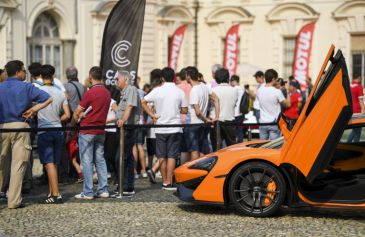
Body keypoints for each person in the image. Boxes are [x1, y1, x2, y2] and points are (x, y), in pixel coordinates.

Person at [0, 60, 52, 209]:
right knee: (19, 164)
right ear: (17, 72)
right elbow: (48, 98)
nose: (25, 73)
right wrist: (34, 110)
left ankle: (1, 192)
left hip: (2, 127)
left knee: (2, 163)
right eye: (23, 70)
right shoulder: (27, 87)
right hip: (20, 125)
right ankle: (14, 200)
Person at [142, 67, 188, 190]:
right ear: (173, 77)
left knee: (161, 155)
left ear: (162, 78)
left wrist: (152, 115)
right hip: (175, 127)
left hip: (160, 127)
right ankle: (170, 182)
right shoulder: (179, 91)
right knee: (172, 156)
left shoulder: (157, 90)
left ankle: (165, 182)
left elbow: (143, 101)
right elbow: (184, 110)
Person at [73, 66, 111, 200]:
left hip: (87, 129)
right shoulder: (107, 92)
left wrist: (78, 117)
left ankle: (88, 191)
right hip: (101, 129)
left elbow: (77, 112)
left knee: (87, 161)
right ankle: (103, 189)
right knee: (100, 160)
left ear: (90, 77)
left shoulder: (90, 93)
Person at [37, 64, 70, 204]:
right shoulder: (60, 93)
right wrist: (57, 119)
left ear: (40, 76)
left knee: (48, 163)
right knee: (54, 162)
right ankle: (51, 192)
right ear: (53, 76)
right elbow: (67, 115)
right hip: (58, 129)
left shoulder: (37, 91)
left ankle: (56, 194)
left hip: (44, 129)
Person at [114, 70, 141, 196]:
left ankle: (126, 186)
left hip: (128, 128)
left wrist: (123, 120)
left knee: (123, 156)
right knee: (126, 156)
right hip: (123, 127)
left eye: (117, 79)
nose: (115, 81)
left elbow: (130, 106)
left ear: (125, 79)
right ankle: (126, 185)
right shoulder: (123, 92)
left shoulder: (131, 89)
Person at [186, 66, 219, 160]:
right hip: (202, 124)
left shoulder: (194, 90)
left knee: (194, 150)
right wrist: (216, 116)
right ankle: (202, 172)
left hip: (194, 124)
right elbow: (216, 99)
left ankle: (194, 174)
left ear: (188, 76)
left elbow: (197, 112)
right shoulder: (204, 87)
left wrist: (206, 119)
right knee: (202, 150)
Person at [64, 66, 86, 182]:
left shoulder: (65, 87)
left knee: (69, 145)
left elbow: (64, 104)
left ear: (67, 75)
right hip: (81, 120)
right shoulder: (83, 86)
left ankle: (73, 171)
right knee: (79, 145)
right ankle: (79, 169)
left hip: (71, 120)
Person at [256, 69, 291, 140]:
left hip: (262, 123)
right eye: (276, 79)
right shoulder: (277, 92)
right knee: (273, 148)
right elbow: (287, 104)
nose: (277, 80)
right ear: (273, 79)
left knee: (262, 147)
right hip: (274, 123)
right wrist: (287, 91)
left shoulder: (259, 90)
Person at [210, 68, 238, 150]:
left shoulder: (213, 90)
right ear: (228, 78)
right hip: (230, 120)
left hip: (216, 121)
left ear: (216, 78)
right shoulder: (234, 90)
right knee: (232, 148)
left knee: (216, 148)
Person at [177, 68, 192, 164]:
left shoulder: (176, 87)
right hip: (189, 120)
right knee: (190, 148)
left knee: (181, 148)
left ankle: (181, 168)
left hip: (177, 121)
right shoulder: (192, 87)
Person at [347, 73, 364, 143]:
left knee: (354, 129)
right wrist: (364, 110)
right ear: (358, 77)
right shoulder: (359, 87)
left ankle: (348, 143)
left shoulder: (349, 86)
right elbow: (360, 100)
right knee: (358, 130)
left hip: (351, 109)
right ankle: (355, 144)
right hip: (358, 110)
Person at [230, 75, 245, 143]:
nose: (230, 83)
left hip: (234, 113)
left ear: (235, 81)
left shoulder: (233, 89)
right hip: (241, 112)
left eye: (231, 81)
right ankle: (240, 143)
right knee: (240, 130)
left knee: (233, 131)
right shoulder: (242, 89)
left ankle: (234, 144)